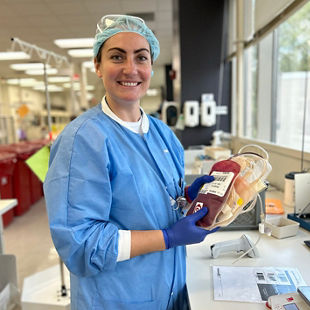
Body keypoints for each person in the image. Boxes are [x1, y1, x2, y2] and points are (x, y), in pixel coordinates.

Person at [44, 14, 217, 310]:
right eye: (116, 56)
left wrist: (187, 197)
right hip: (118, 298)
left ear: (151, 66)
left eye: (141, 57)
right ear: (98, 66)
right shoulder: (83, 140)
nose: (130, 68)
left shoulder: (163, 134)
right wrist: (168, 238)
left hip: (171, 290)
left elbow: (150, 202)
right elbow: (81, 244)